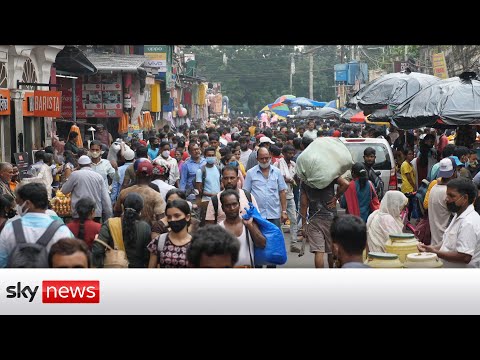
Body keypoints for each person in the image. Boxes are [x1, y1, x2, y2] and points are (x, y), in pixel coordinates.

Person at [0, 183, 74, 267]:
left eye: (19, 202)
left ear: (28, 203)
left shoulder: (9, 228)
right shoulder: (62, 230)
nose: (17, 207)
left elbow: (2, 263)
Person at [418, 177, 480, 267]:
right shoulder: (458, 215)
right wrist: (432, 248)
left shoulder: (468, 222)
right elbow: (448, 243)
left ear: (465, 198)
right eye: (447, 195)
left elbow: (465, 257)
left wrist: (436, 252)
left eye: (452, 196)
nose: (447, 199)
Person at [300, 175, 349, 269]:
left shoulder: (306, 179)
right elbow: (346, 184)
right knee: (331, 251)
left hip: (314, 219)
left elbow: (303, 204)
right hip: (330, 218)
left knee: (319, 252)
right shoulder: (329, 174)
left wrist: (303, 225)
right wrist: (336, 198)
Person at [93, 193, 151, 268]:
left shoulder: (110, 224)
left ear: (123, 207)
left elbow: (98, 250)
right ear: (140, 211)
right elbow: (147, 255)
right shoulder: (145, 227)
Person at [219, 190, 266, 268]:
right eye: (227, 205)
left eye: (234, 204)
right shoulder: (219, 229)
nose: (232, 208)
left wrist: (250, 227)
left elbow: (262, 244)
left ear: (239, 205)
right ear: (223, 208)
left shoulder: (249, 223)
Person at [243, 147, 288, 229]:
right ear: (257, 159)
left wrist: (284, 211)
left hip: (274, 214)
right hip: (257, 214)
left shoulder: (277, 172)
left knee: (275, 238)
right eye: (262, 158)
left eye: (266, 158)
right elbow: (246, 193)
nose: (264, 161)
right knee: (259, 239)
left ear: (270, 157)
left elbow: (282, 192)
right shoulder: (250, 173)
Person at [61, 155, 113, 223]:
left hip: (78, 214)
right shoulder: (98, 176)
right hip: (95, 214)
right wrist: (108, 216)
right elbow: (105, 199)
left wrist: (67, 179)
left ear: (79, 165)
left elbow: (64, 190)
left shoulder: (75, 175)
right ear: (90, 164)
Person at [114, 160, 165, 226]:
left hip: (125, 230)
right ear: (151, 175)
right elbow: (160, 219)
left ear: (136, 174)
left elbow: (117, 212)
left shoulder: (124, 192)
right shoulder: (156, 196)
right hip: (147, 232)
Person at [148, 199, 193, 268]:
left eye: (177, 216)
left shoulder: (195, 244)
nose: (172, 220)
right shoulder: (159, 241)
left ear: (187, 217)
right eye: (169, 217)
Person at [426, 157, 457, 246]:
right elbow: (458, 215)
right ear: (453, 173)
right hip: (445, 243)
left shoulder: (434, 188)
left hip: (435, 242)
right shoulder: (448, 192)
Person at [274, 144, 299, 252]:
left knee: (293, 220)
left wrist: (294, 180)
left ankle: (293, 243)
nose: (291, 155)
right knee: (279, 221)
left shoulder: (294, 164)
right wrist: (286, 180)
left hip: (290, 195)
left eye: (292, 153)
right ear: (283, 154)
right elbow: (273, 178)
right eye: (289, 153)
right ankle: (281, 244)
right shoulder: (278, 163)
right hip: (279, 197)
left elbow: (297, 178)